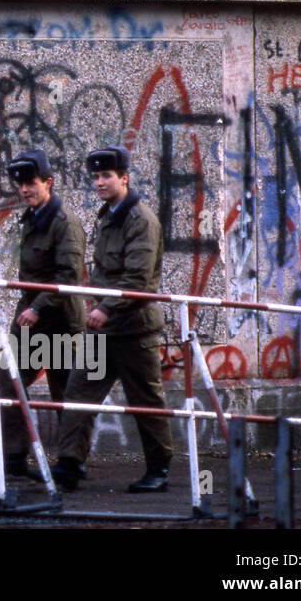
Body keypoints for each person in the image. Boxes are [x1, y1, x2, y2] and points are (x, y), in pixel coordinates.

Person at [50, 146, 174, 493]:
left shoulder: (140, 219)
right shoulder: (108, 216)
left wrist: (104, 308)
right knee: (78, 391)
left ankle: (159, 468)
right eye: (96, 177)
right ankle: (70, 463)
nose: (100, 182)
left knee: (146, 402)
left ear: (124, 178)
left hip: (133, 327)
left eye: (107, 176)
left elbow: (137, 279)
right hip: (105, 329)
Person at [0, 149, 85, 482]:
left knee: (65, 393)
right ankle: (13, 457)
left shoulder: (64, 222)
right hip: (31, 318)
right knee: (12, 385)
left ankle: (71, 464)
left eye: (31, 183)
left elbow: (68, 275)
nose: (24, 190)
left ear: (48, 183)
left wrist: (37, 308)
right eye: (20, 184)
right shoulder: (33, 217)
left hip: (59, 319)